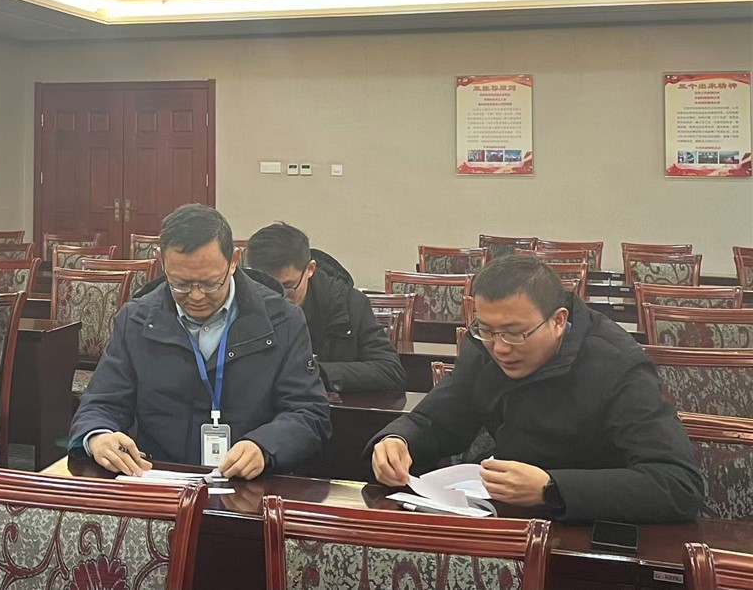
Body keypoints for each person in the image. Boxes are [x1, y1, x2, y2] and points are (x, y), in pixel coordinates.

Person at [368, 255, 704, 524]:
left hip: (591, 525)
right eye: (487, 330)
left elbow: (677, 484)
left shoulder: (618, 366)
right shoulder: (484, 346)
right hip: (506, 516)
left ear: (558, 321)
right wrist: (398, 440)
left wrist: (551, 487)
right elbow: (439, 420)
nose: (500, 348)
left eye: (515, 334)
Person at [69, 204, 331, 480]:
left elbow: (309, 413)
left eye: (210, 283)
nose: (196, 296)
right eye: (180, 284)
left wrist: (265, 447)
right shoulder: (135, 320)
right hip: (160, 478)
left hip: (250, 484)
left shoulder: (282, 321)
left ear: (234, 260)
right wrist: (98, 435)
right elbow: (101, 404)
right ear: (160, 261)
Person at [244, 223, 405, 393]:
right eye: (266, 287)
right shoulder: (240, 304)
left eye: (288, 286)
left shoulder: (348, 304)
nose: (279, 296)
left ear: (310, 269)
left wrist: (314, 371)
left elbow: (390, 372)